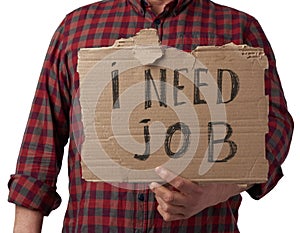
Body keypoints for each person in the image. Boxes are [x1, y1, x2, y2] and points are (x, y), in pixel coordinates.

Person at [8, 0, 293, 232]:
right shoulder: (76, 29)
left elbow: (274, 127)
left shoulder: (238, 28)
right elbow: (41, 142)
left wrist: (218, 190)